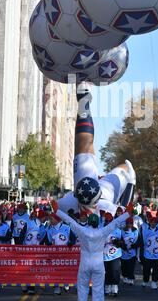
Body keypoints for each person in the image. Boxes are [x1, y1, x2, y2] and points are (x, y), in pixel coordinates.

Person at [51, 199, 133, 301]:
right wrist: (127, 214)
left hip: (84, 262)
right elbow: (115, 223)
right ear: (97, 223)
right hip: (98, 263)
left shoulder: (82, 231)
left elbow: (70, 221)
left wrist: (57, 211)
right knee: (98, 291)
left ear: (88, 222)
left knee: (82, 290)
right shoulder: (102, 231)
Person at [57, 82, 136, 216]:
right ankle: (84, 99)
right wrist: (131, 184)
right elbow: (124, 212)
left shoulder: (65, 204)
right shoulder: (108, 207)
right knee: (126, 169)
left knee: (84, 146)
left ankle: (83, 100)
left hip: (99, 190)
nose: (88, 211)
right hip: (106, 193)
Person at [45, 212, 76, 295]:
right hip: (54, 254)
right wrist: (48, 244)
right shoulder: (49, 229)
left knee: (65, 269)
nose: (50, 220)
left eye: (52, 219)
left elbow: (73, 239)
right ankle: (57, 287)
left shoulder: (67, 228)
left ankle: (66, 283)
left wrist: (71, 243)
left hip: (66, 253)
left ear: (57, 220)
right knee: (55, 270)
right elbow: (47, 240)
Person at [19, 209, 48, 295]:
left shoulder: (43, 227)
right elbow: (22, 235)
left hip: (36, 251)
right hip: (27, 249)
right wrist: (20, 247)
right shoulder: (29, 223)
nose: (46, 219)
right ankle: (24, 285)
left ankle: (31, 287)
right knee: (25, 269)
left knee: (33, 269)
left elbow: (44, 239)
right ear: (42, 217)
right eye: (45, 217)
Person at [140, 214, 158, 289]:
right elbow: (143, 241)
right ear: (149, 223)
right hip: (147, 253)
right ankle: (145, 280)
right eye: (151, 222)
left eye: (154, 222)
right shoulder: (145, 231)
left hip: (157, 254)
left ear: (157, 223)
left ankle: (154, 282)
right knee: (146, 269)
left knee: (157, 269)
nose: (153, 223)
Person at [103, 212, 123, 297]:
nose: (108, 222)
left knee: (115, 270)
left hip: (115, 254)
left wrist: (118, 242)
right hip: (104, 254)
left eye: (109, 221)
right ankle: (107, 287)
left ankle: (114, 287)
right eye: (107, 221)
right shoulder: (102, 230)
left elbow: (122, 243)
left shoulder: (118, 231)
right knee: (106, 271)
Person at [121, 216, 139, 285]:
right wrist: (123, 246)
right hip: (124, 252)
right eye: (128, 223)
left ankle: (131, 278)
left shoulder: (135, 231)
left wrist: (134, 245)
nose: (129, 225)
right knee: (124, 266)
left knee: (131, 266)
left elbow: (138, 241)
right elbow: (120, 239)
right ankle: (125, 277)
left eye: (130, 223)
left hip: (132, 252)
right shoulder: (122, 231)